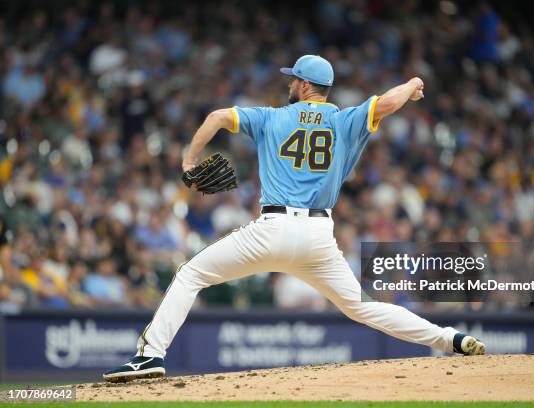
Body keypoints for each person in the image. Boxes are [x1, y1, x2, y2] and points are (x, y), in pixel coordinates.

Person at [103, 55, 485, 382]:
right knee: (362, 307)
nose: (289, 84)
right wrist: (413, 82)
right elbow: (386, 103)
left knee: (191, 274)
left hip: (273, 229)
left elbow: (217, 116)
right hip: (319, 236)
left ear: (304, 85)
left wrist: (189, 161)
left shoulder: (271, 118)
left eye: (292, 79)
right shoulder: (344, 119)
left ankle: (150, 354)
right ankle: (448, 338)